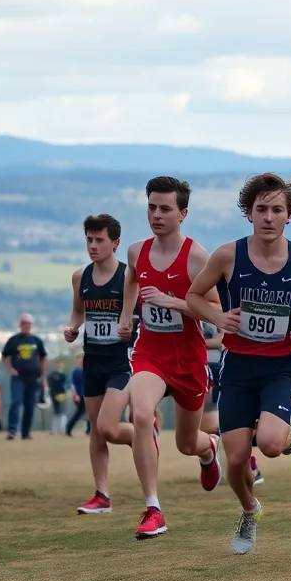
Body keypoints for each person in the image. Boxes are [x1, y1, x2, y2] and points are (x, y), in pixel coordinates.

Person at [186, 174, 291, 553]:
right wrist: (218, 318)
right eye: (261, 209)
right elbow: (193, 296)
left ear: (289, 216)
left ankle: (285, 425)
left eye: (277, 210)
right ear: (249, 214)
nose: (269, 217)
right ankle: (250, 509)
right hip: (238, 367)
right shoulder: (227, 256)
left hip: (281, 367)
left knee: (271, 445)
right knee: (237, 461)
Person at [118, 176, 223, 540]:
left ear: (183, 213)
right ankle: (153, 508)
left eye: (165, 209)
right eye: (151, 207)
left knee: (185, 443)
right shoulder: (135, 251)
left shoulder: (197, 257)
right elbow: (131, 280)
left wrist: (174, 302)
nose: (156, 215)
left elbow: (216, 311)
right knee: (141, 414)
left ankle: (208, 450)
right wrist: (125, 315)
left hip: (189, 359)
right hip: (150, 354)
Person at [62, 214, 140, 513]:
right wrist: (72, 329)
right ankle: (102, 495)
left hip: (121, 361)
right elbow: (78, 312)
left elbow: (139, 316)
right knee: (96, 430)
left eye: (99, 240)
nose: (92, 246)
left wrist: (129, 327)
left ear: (115, 243)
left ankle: (141, 436)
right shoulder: (80, 277)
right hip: (91, 359)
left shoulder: (126, 277)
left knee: (108, 427)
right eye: (89, 240)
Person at [1, 313, 48, 440]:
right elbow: (4, 356)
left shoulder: (36, 341)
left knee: (30, 405)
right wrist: (10, 369)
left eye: (29, 323)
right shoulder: (14, 340)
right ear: (20, 325)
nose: (27, 326)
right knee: (16, 403)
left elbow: (43, 358)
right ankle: (12, 430)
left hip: (33, 377)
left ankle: (25, 433)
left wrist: (43, 376)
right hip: (19, 377)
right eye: (24, 323)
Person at [47, 361, 70, 435]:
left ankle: (60, 429)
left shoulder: (61, 375)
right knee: (59, 412)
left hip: (60, 394)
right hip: (57, 395)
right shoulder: (54, 375)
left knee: (60, 412)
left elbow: (66, 384)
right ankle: (56, 429)